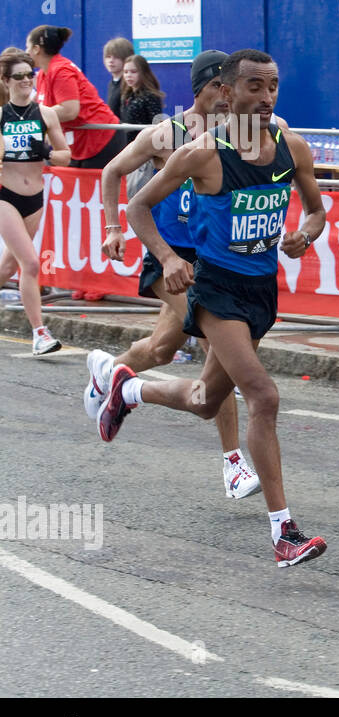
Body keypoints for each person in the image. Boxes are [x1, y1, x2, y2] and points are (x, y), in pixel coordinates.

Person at [96, 49, 329, 566]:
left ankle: (129, 387)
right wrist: (166, 256)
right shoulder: (199, 152)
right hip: (215, 291)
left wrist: (303, 236)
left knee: (205, 399)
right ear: (227, 92)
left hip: (262, 290)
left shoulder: (292, 147)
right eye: (254, 86)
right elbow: (137, 205)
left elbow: (317, 212)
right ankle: (283, 532)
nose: (266, 96)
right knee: (263, 396)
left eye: (272, 85)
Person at [87, 50, 258, 499]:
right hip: (167, 256)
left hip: (208, 256)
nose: (226, 97)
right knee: (217, 345)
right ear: (200, 89)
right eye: (219, 88)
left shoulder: (234, 136)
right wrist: (112, 227)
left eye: (230, 88)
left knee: (162, 350)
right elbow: (112, 171)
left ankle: (112, 373)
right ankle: (233, 463)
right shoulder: (169, 133)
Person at [0, 51, 71, 354]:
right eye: (19, 76)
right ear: (6, 81)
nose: (27, 80)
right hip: (6, 196)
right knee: (29, 263)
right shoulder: (0, 115)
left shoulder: (46, 114)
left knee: (7, 267)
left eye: (30, 74)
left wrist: (44, 150)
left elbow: (65, 156)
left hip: (35, 198)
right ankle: (40, 334)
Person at [27, 25, 124, 169]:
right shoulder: (42, 74)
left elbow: (69, 110)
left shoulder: (60, 70)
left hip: (101, 140)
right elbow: (38, 108)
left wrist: (35, 116)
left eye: (27, 47)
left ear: (36, 49)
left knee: (98, 190)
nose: (26, 52)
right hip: (78, 142)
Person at [119, 54, 165, 128]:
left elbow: (157, 126)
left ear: (143, 73)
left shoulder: (150, 96)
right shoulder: (126, 95)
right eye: (125, 72)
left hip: (143, 138)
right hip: (127, 138)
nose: (128, 75)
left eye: (133, 71)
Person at [103, 37, 133, 120]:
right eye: (108, 57)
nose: (111, 61)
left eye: (116, 57)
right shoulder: (112, 83)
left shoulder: (130, 84)